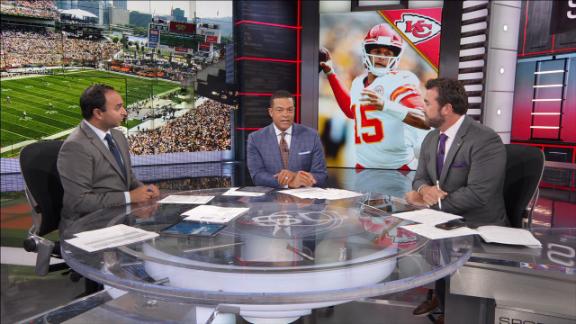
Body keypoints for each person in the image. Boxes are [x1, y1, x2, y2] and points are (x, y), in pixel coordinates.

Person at [405, 78, 508, 324]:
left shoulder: (485, 139)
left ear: (447, 108)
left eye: (428, 102)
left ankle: (456, 310)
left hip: (476, 223)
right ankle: (441, 297)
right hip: (443, 220)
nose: (422, 107)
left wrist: (428, 202)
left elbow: (478, 194)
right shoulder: (431, 138)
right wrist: (423, 188)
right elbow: (419, 177)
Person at [320, 23, 430, 170]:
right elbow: (352, 111)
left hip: (398, 169)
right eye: (377, 51)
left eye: (388, 53)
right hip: (365, 168)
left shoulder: (399, 81)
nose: (382, 57)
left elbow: (426, 120)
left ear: (395, 56)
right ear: (366, 51)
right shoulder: (359, 82)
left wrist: (386, 106)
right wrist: (331, 74)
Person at [58, 84, 160, 232]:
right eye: (118, 108)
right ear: (98, 113)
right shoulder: (76, 146)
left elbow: (128, 178)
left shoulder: (117, 136)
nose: (124, 112)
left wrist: (145, 190)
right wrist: (129, 197)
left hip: (119, 219)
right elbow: (78, 202)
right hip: (88, 227)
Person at [247, 90, 328, 188]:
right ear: (271, 112)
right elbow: (257, 176)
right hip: (271, 201)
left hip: (304, 200)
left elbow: (321, 175)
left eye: (290, 110)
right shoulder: (256, 139)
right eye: (280, 110)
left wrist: (300, 177)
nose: (285, 114)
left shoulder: (312, 136)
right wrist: (288, 183)